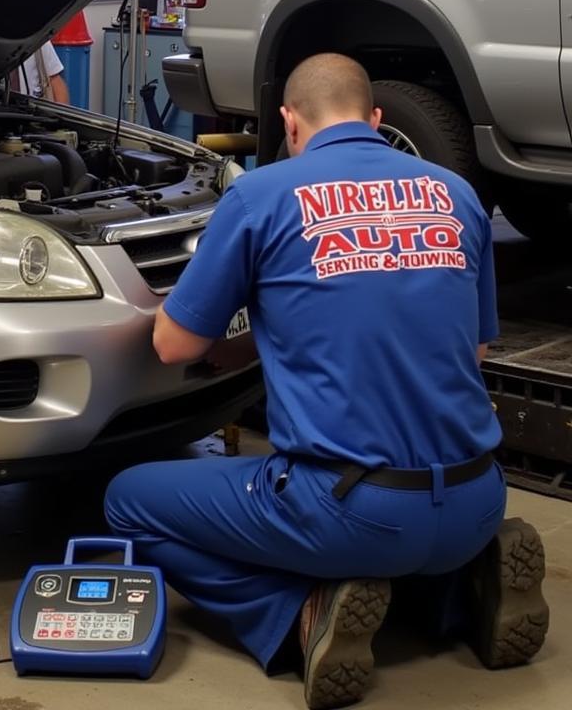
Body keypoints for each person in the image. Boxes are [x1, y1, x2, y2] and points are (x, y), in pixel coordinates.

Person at [104, 54, 548, 710]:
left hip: (350, 510)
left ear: (288, 122)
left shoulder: (261, 195)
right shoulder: (457, 195)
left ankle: (297, 614)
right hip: (477, 497)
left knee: (126, 499)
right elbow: (473, 350)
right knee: (419, 525)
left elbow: (174, 344)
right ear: (375, 118)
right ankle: (462, 588)